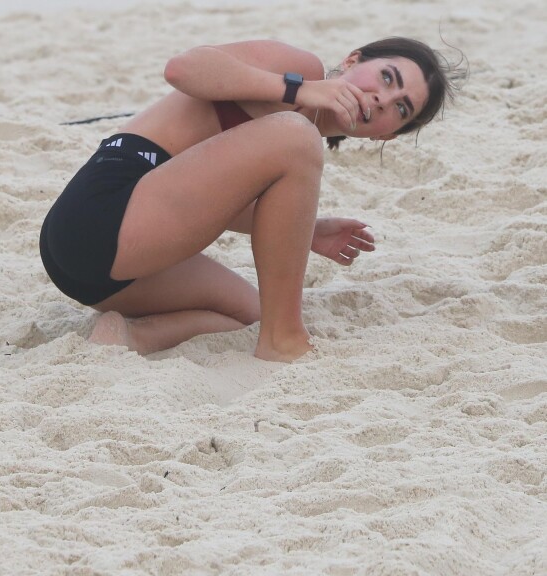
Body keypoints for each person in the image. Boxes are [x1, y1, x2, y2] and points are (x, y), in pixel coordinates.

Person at [40, 37, 462, 362]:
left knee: (251, 313)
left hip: (101, 267)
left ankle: (131, 336)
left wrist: (307, 231)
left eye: (400, 109)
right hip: (100, 215)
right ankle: (284, 342)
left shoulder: (293, 143)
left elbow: (202, 198)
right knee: (296, 136)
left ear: (386, 135)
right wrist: (297, 90)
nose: (382, 100)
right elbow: (183, 67)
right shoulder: (300, 72)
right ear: (352, 60)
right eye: (387, 78)